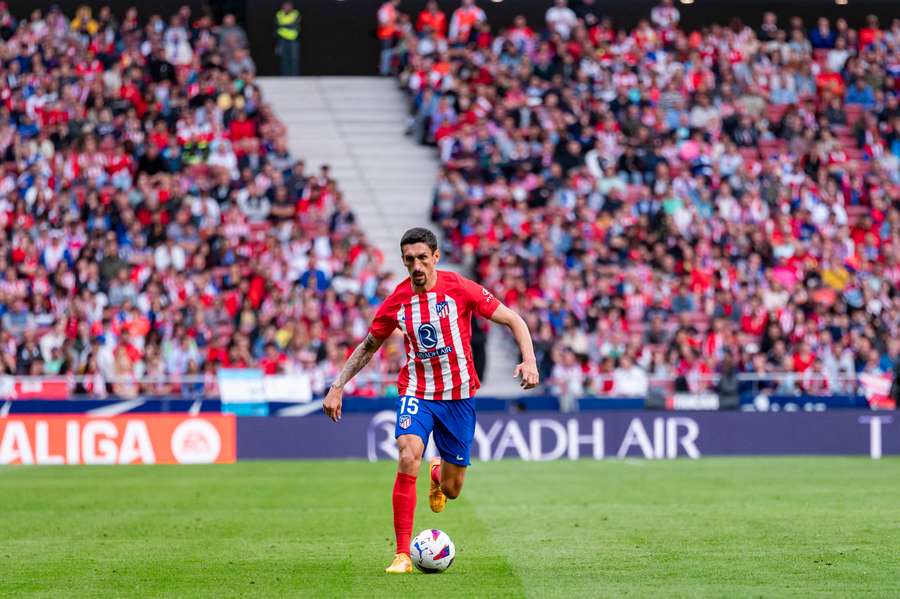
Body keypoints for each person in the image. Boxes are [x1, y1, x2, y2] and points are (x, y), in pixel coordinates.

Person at [323, 227, 539, 574]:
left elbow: (513, 319)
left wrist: (529, 360)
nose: (417, 266)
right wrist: (337, 386)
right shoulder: (397, 300)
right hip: (417, 392)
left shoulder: (460, 288)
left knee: (453, 490)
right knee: (408, 453)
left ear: (435, 257)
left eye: (423, 258)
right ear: (404, 262)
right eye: (410, 260)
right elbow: (368, 346)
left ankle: (438, 475)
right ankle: (402, 554)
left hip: (459, 396)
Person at [275, 2, 301, 76]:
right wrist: (289, 25)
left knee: (294, 59)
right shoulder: (279, 14)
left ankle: (294, 76)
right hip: (282, 40)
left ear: (292, 7)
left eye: (288, 6)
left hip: (293, 40)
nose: (287, 7)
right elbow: (277, 25)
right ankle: (285, 76)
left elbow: (294, 25)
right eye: (285, 6)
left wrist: (283, 25)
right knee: (284, 60)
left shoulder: (295, 13)